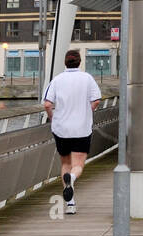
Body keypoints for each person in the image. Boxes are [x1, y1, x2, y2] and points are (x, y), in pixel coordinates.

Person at [43, 48, 101, 215]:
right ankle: (73, 178)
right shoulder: (87, 78)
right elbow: (96, 100)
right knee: (77, 165)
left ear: (65, 63)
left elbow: (47, 104)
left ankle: (70, 204)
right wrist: (87, 111)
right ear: (79, 62)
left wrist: (53, 117)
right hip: (81, 128)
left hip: (61, 128)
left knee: (65, 164)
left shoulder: (57, 80)